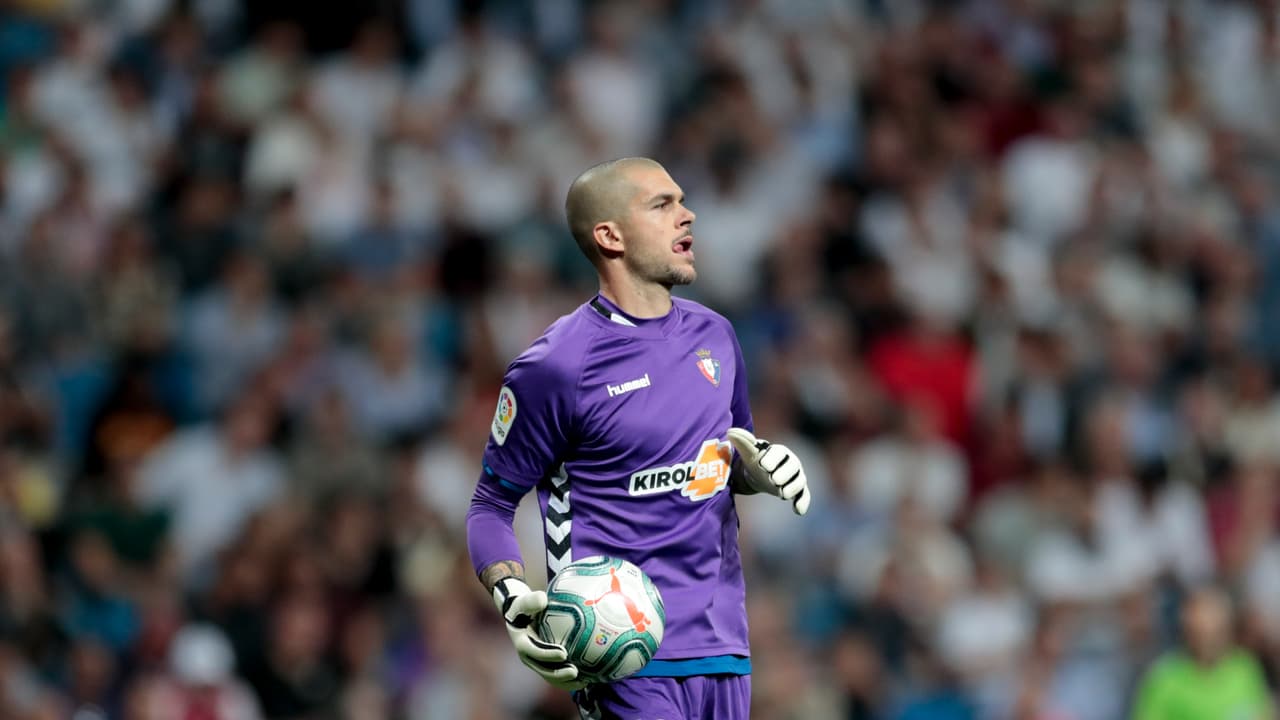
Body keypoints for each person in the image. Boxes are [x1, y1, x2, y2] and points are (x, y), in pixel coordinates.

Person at [465, 157, 811, 718]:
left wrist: (764, 473)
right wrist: (512, 600)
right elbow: (489, 505)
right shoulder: (556, 366)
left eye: (681, 200)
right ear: (610, 236)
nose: (687, 215)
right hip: (625, 653)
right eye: (662, 205)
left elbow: (731, 459)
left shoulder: (716, 335)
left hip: (724, 645)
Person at [1131, 585, 1273, 720]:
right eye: (1199, 633)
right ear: (1187, 632)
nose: (1208, 642)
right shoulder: (1165, 679)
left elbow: (1264, 713)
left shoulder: (1245, 667)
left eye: (1216, 632)